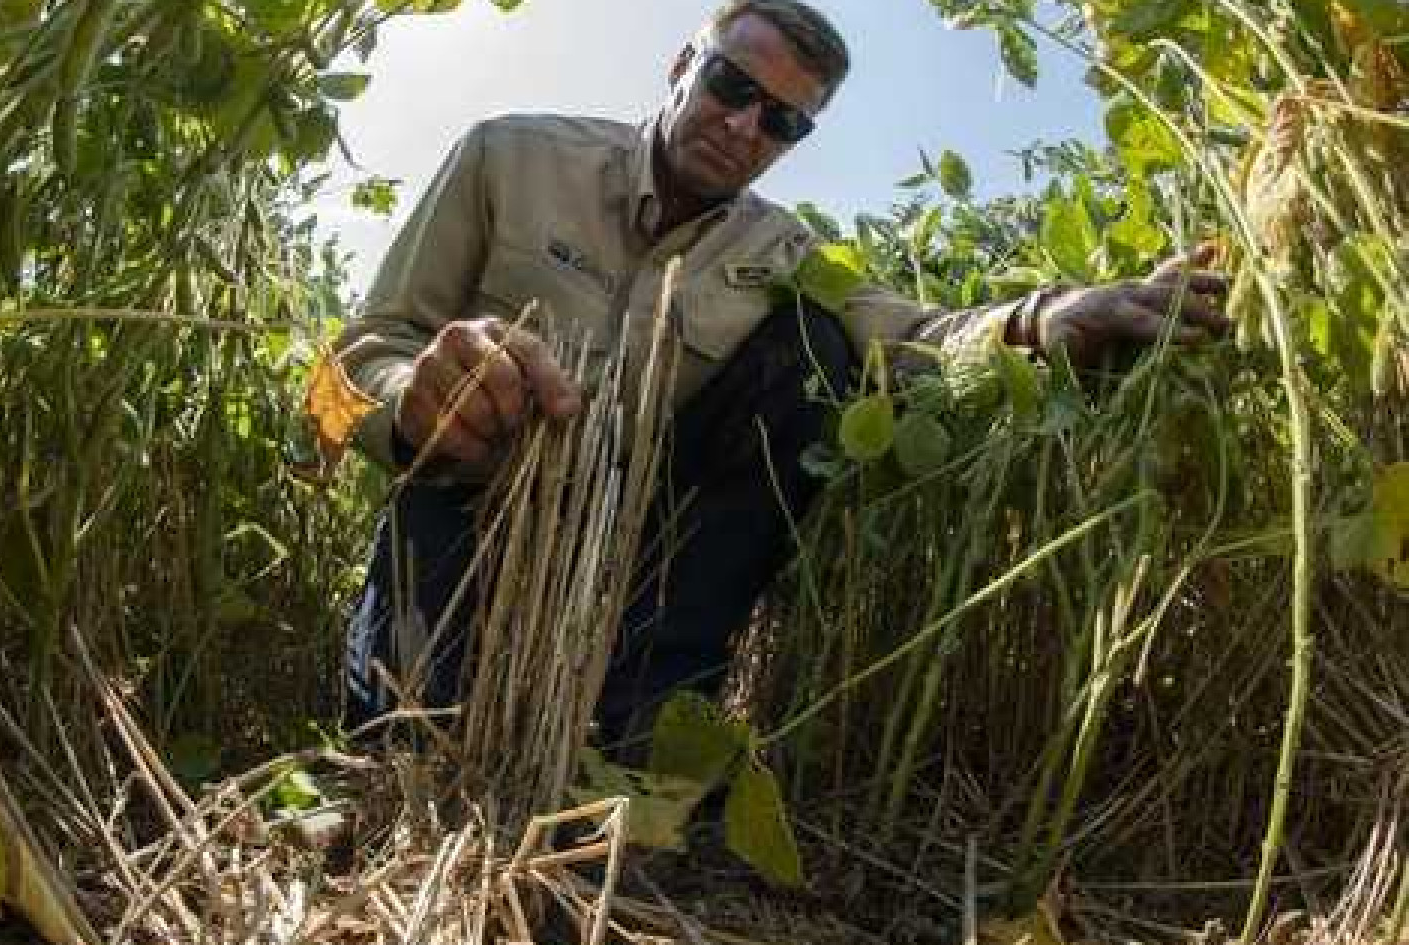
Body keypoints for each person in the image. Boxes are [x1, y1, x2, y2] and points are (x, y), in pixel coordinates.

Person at [332, 0, 1227, 738]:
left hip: (632, 566)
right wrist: (412, 399)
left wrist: (1049, 319)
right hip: (458, 525)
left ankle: (647, 703)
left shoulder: (785, 253)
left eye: (781, 121)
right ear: (683, 62)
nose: (743, 124)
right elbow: (346, 369)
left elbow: (914, 338)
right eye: (731, 84)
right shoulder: (509, 156)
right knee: (407, 750)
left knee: (820, 349)